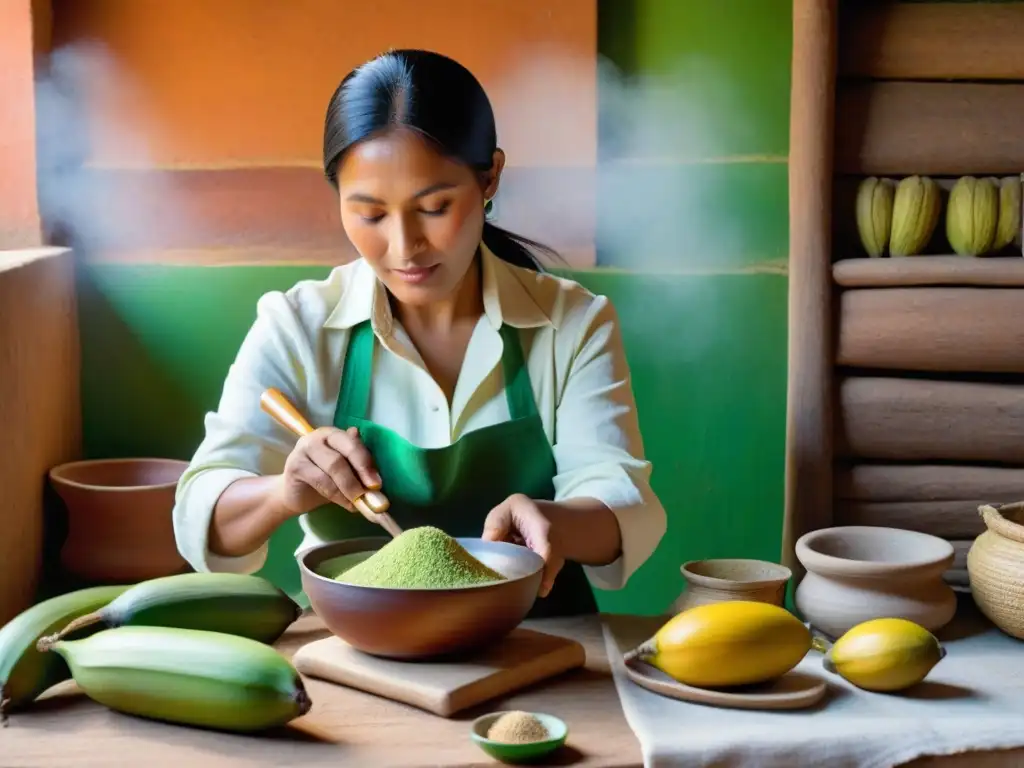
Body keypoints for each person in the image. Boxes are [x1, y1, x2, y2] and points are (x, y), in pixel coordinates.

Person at [172, 49, 666, 618]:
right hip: (356, 650)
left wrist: (556, 520)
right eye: (370, 214)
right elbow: (202, 513)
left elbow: (624, 507)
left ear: (490, 177)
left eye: (434, 207)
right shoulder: (297, 325)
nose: (404, 247)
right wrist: (284, 491)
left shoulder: (572, 324)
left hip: (541, 643)